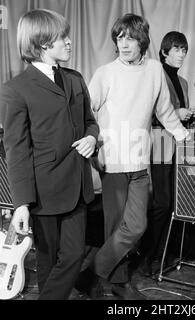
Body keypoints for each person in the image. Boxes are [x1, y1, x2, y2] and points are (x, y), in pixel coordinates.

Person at [88, 14, 190, 300]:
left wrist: (185, 137)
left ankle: (91, 272)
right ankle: (119, 284)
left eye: (130, 38)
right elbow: (87, 111)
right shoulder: (105, 73)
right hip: (113, 160)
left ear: (142, 40)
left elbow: (166, 113)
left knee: (136, 226)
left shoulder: (155, 70)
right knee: (115, 225)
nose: (124, 44)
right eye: (119, 38)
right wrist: (93, 143)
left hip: (140, 161)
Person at [0, 9, 99, 300]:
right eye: (62, 37)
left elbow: (90, 121)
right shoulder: (15, 90)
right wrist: (21, 203)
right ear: (42, 43)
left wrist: (92, 138)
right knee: (47, 261)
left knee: (71, 256)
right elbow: (16, 150)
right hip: (42, 192)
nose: (69, 42)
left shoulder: (75, 78)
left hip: (78, 187)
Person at [141, 31, 192, 275]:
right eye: (177, 49)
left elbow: (180, 117)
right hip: (160, 139)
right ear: (164, 52)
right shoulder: (154, 74)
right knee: (162, 202)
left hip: (178, 144)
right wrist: (175, 113)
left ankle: (164, 252)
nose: (181, 54)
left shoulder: (182, 82)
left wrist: (190, 116)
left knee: (175, 201)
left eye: (184, 50)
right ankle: (147, 255)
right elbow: (144, 111)